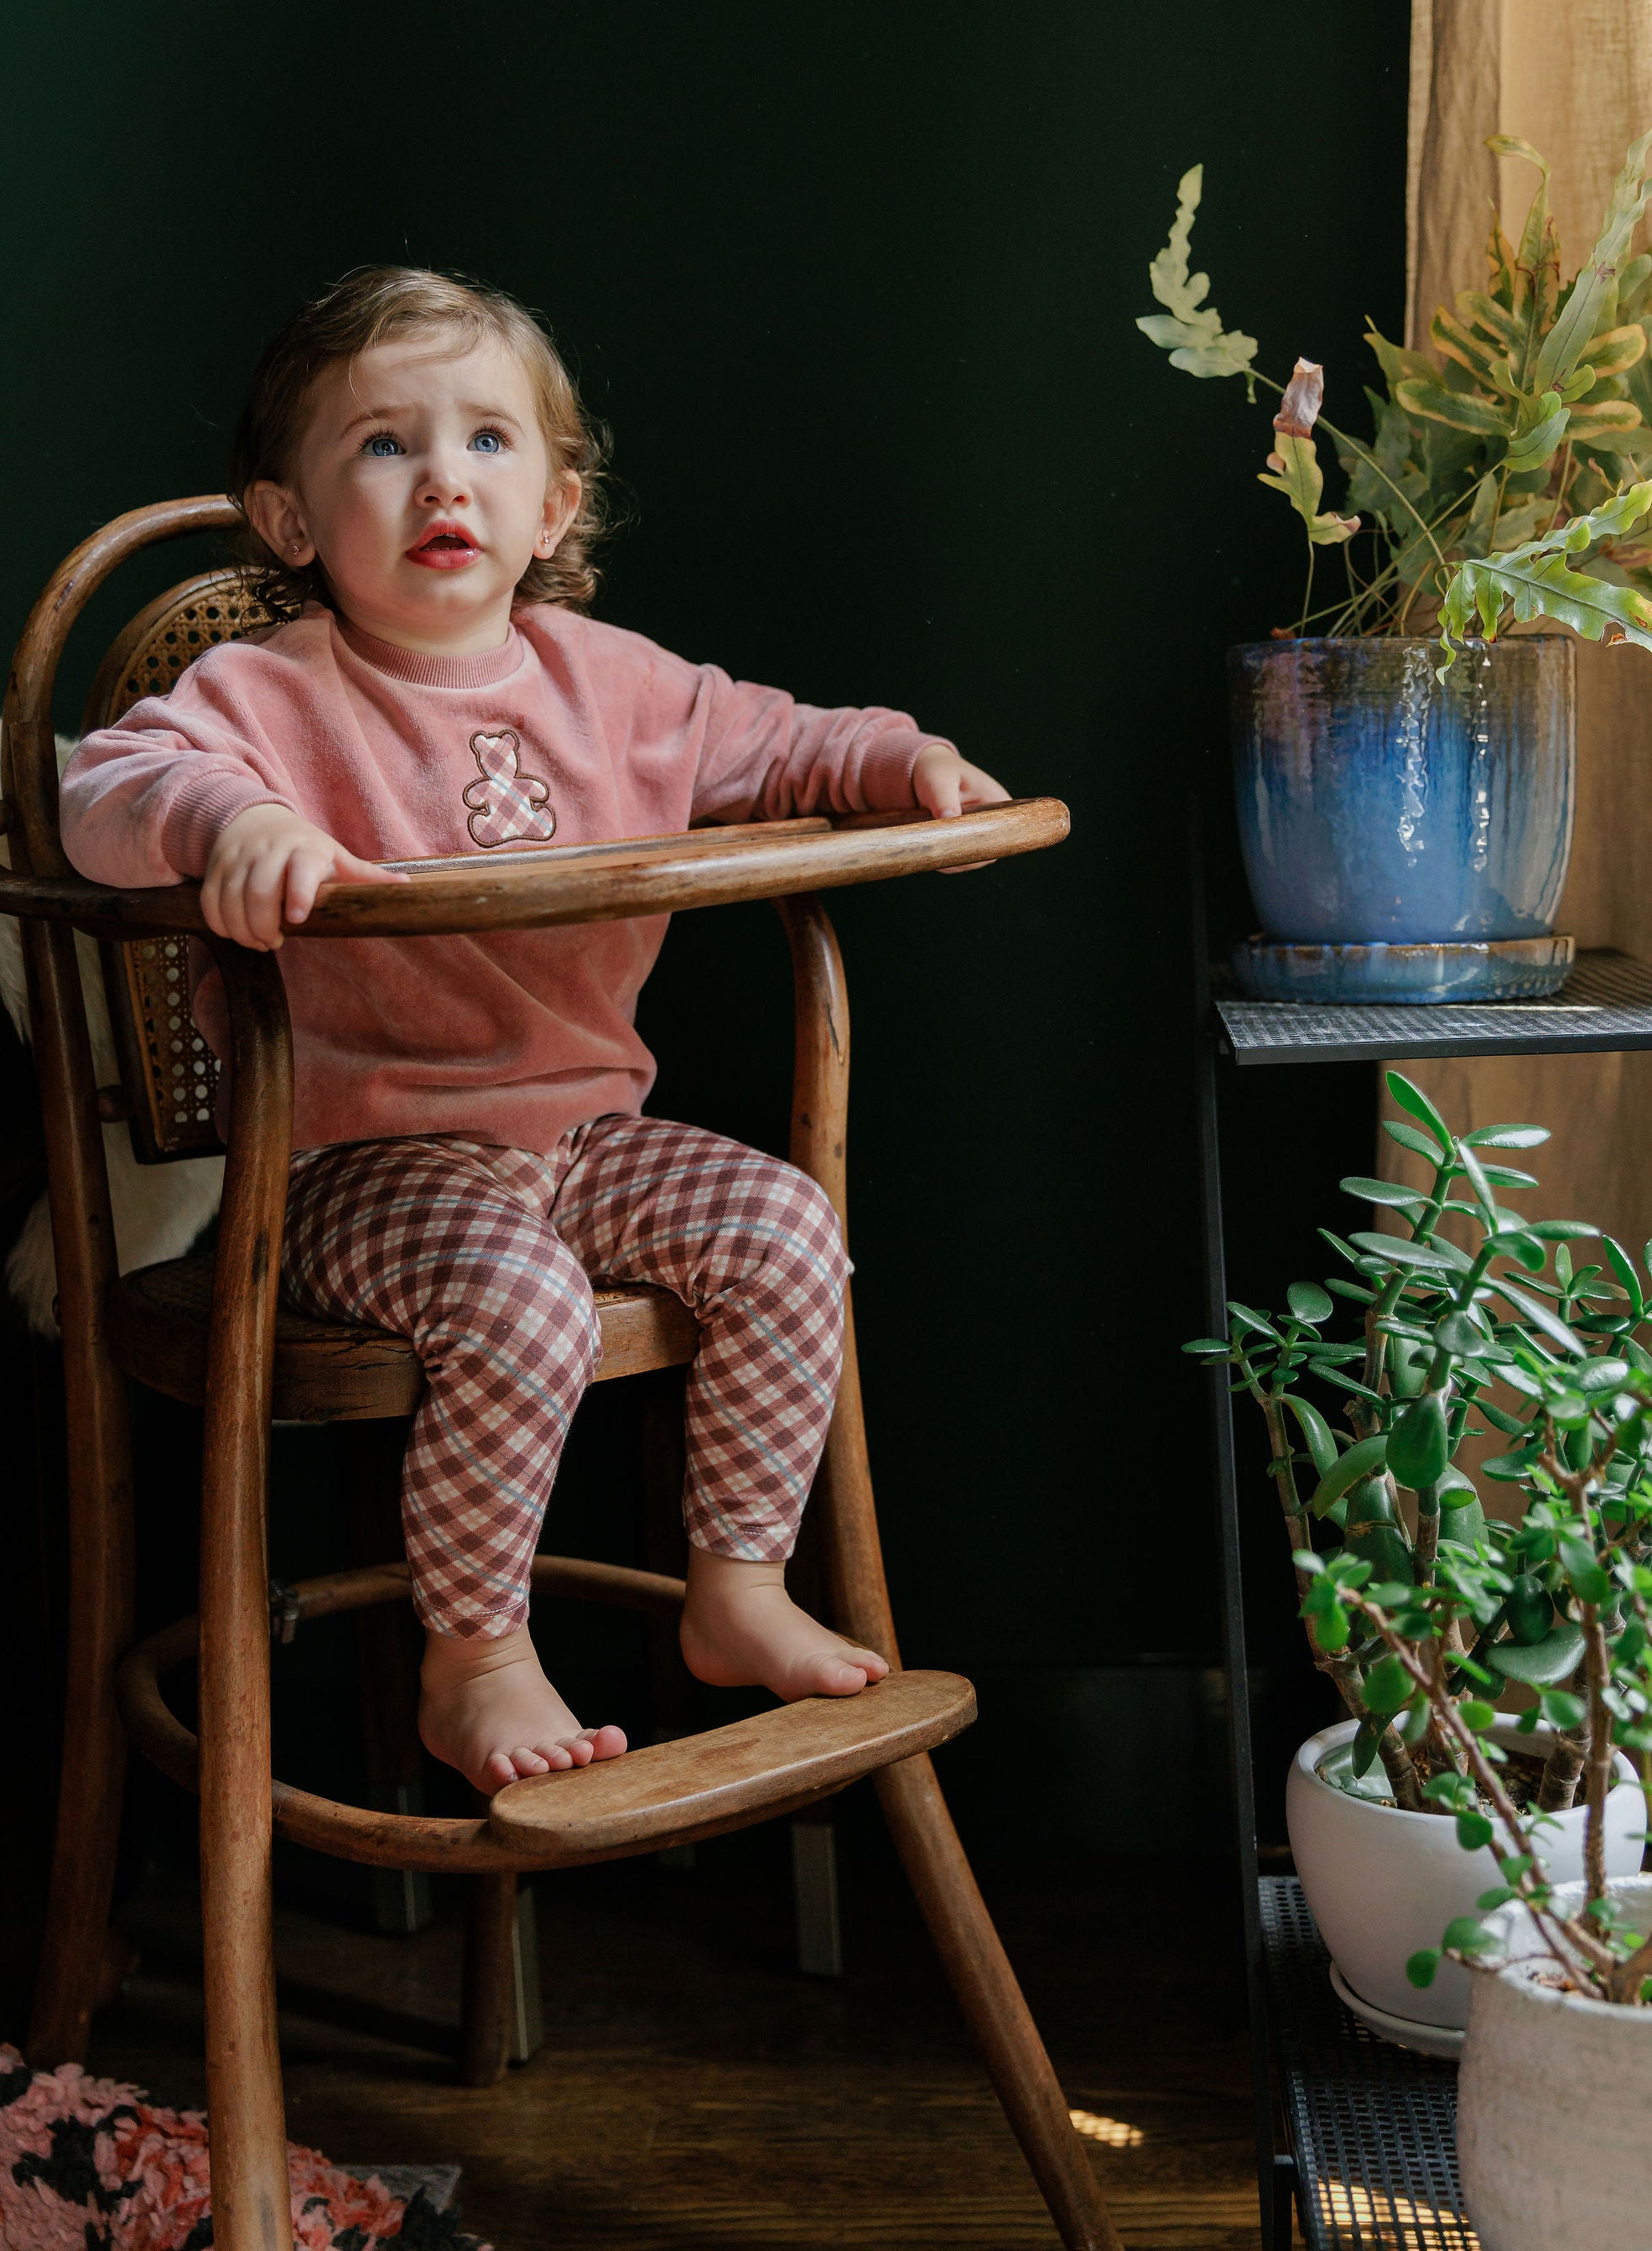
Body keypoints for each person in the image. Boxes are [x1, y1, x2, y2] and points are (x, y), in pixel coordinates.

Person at [61, 267, 1010, 1796]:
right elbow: (97, 794)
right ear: (292, 521)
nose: (445, 477)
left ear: (555, 507)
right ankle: (477, 1658)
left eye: (489, 441)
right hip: (355, 1163)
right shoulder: (266, 692)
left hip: (583, 1137)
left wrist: (907, 763)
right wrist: (226, 819)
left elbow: (781, 743)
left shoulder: (614, 683)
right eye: (385, 445)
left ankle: (738, 1585)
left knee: (786, 1230)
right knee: (522, 1306)